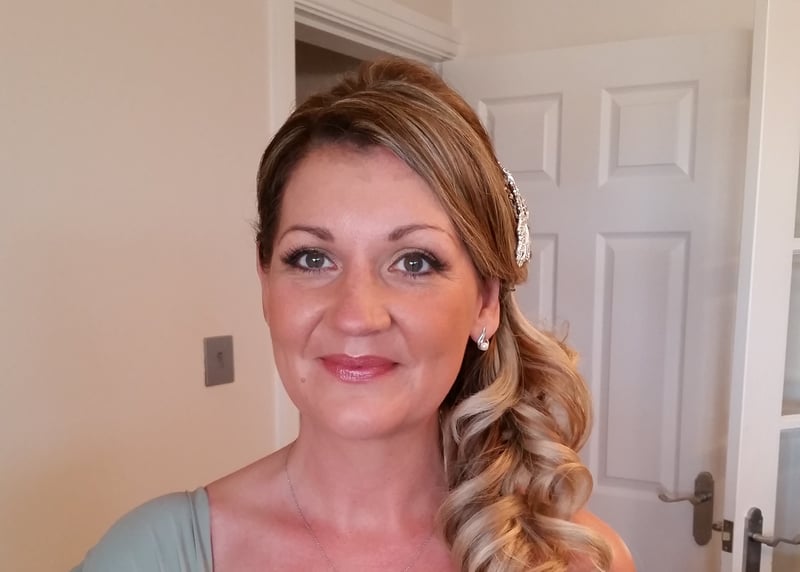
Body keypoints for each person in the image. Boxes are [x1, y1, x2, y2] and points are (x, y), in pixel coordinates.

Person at [72, 57, 635, 572]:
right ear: (266, 283)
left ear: (486, 302)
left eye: (413, 262)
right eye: (312, 258)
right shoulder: (150, 554)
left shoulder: (581, 559)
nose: (356, 315)